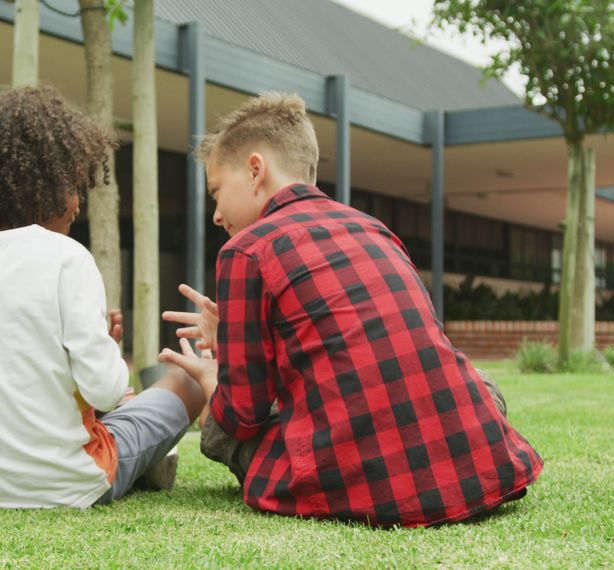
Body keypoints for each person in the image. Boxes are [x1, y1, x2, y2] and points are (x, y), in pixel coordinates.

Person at [160, 92, 542, 527]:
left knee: (219, 428)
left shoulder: (246, 250)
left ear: (255, 170)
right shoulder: (374, 228)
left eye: (216, 192)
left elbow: (243, 414)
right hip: (478, 469)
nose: (215, 214)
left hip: (359, 486)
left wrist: (215, 375)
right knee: (478, 383)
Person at [0, 86, 205, 509]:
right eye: (74, 184)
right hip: (71, 482)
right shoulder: (65, 257)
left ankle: (144, 463)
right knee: (188, 380)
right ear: (41, 187)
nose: (79, 203)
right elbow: (107, 391)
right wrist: (109, 351)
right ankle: (144, 463)